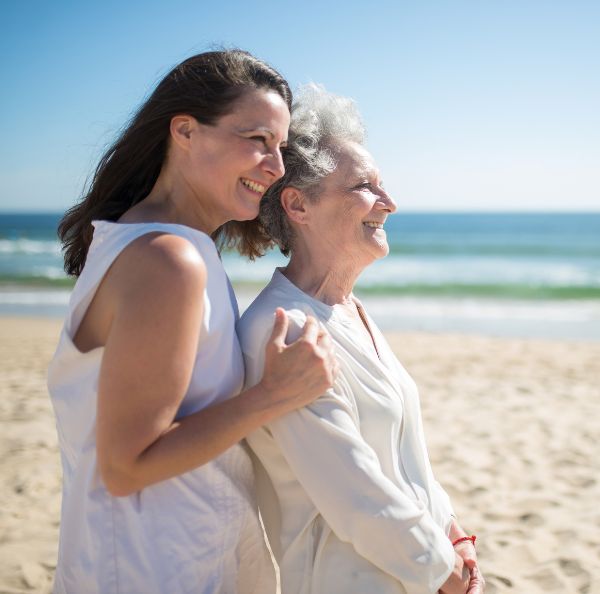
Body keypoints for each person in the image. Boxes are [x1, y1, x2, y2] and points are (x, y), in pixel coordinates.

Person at [47, 51, 337, 594]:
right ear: (185, 130)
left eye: (279, 147)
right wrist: (274, 395)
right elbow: (127, 465)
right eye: (257, 140)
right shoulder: (167, 260)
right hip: (150, 570)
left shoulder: (160, 245)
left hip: (170, 558)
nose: (275, 167)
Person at [236, 85, 485, 594]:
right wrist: (447, 573)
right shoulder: (282, 330)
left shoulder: (350, 311)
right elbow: (357, 497)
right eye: (363, 187)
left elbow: (402, 458)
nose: (389, 203)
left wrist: (453, 530)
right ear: (298, 205)